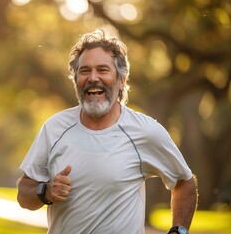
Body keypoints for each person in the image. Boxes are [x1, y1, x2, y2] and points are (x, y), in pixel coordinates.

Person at [17, 29, 198, 234]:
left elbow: (184, 182)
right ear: (76, 79)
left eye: (103, 70)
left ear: (121, 80)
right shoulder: (55, 128)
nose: (93, 78)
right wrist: (45, 191)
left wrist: (179, 230)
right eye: (84, 71)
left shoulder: (145, 131)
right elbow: (24, 195)